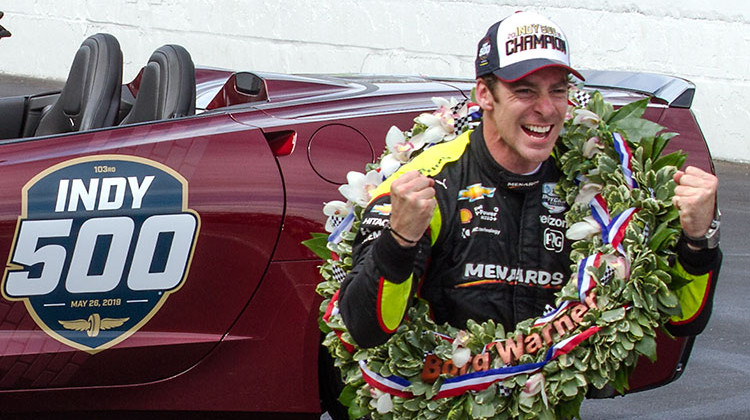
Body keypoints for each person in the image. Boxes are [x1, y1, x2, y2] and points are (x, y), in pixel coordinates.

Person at [339, 11, 721, 348]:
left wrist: (698, 242)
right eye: (525, 91)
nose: (546, 108)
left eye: (558, 90)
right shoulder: (425, 183)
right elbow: (366, 329)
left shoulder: (599, 185)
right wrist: (399, 242)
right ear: (485, 95)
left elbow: (684, 321)